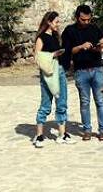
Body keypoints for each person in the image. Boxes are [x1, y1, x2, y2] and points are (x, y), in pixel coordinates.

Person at [62, 4, 103, 141]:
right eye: (83, 20)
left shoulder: (95, 29)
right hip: (81, 71)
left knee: (100, 100)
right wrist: (82, 47)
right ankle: (87, 129)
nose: (86, 22)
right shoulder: (69, 31)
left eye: (88, 19)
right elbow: (67, 51)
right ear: (77, 17)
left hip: (97, 69)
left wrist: (101, 47)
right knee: (85, 102)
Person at [32, 11, 75, 148]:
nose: (58, 24)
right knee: (45, 104)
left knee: (62, 102)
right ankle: (39, 135)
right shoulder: (41, 38)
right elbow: (38, 58)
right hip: (48, 74)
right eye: (56, 21)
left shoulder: (56, 37)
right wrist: (53, 54)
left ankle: (62, 134)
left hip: (60, 71)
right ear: (49, 22)